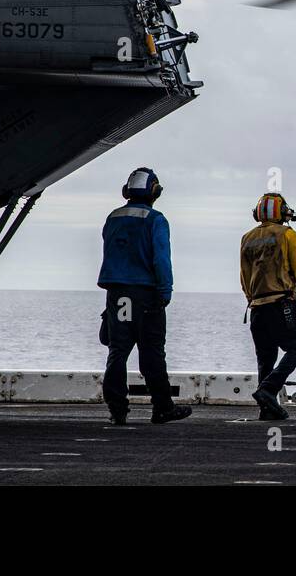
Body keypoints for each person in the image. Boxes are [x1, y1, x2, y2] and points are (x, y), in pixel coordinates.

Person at [97, 167, 191, 426]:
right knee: (151, 354)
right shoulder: (156, 219)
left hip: (117, 295)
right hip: (146, 295)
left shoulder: (113, 217)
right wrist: (165, 291)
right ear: (155, 191)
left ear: (127, 191)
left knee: (117, 351)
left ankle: (117, 409)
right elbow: (161, 259)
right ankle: (162, 408)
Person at [240, 193, 296, 420]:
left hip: (256, 308)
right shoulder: (288, 235)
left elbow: (244, 277)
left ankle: (267, 409)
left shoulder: (247, 238)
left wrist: (251, 300)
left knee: (265, 358)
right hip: (283, 305)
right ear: (280, 212)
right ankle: (268, 390)